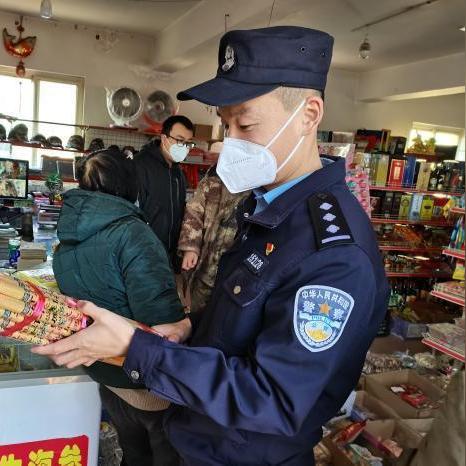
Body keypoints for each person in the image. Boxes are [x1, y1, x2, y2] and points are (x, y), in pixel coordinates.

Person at [34, 26, 389, 466]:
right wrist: (190, 328)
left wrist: (134, 347)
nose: (229, 142)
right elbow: (247, 316)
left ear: (309, 114)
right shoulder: (269, 212)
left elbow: (273, 398)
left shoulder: (333, 252)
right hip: (202, 437)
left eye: (246, 123)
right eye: (225, 124)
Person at [53, 148, 184, 466]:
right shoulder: (132, 233)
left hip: (104, 373)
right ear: (131, 185)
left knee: (134, 453)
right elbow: (163, 323)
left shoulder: (66, 240)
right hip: (146, 383)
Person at [178, 155, 251, 312]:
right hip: (207, 266)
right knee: (199, 311)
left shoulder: (258, 191)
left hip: (238, 274)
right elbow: (193, 213)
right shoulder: (211, 184)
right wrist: (191, 247)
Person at [133, 115, 194, 272]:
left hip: (168, 258)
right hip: (143, 255)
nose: (184, 147)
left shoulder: (178, 173)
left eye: (188, 143)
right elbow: (132, 213)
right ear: (164, 137)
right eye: (179, 140)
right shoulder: (140, 166)